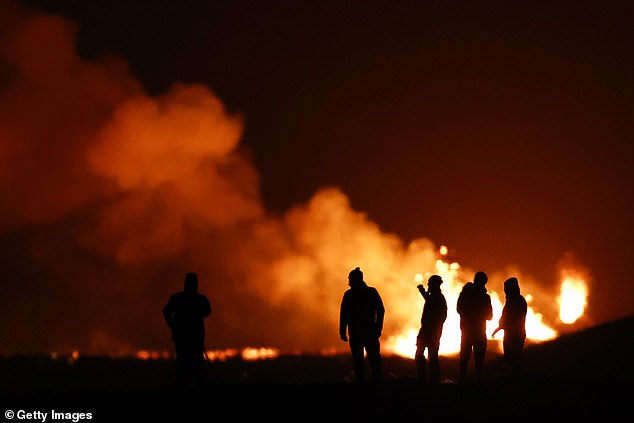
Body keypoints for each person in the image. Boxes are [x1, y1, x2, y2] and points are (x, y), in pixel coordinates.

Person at [163, 272, 212, 389]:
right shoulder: (198, 299)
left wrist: (173, 325)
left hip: (189, 338)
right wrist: (173, 325)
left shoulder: (179, 299)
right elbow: (207, 311)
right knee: (188, 366)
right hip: (188, 338)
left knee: (187, 366)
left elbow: (207, 311)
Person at [339, 267, 385, 382]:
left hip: (360, 332)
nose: (349, 281)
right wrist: (378, 327)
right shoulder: (370, 292)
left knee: (365, 358)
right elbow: (344, 313)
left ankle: (368, 382)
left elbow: (344, 313)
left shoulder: (350, 295)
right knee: (368, 358)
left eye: (350, 279)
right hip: (367, 332)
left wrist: (342, 331)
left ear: (356, 279)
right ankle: (373, 381)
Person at [457, 271, 493, 383]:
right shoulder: (485, 297)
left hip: (468, 332)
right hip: (478, 332)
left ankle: (462, 381)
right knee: (478, 360)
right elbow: (489, 316)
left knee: (464, 358)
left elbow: (459, 309)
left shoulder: (465, 294)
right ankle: (477, 381)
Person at [415, 274, 448, 384]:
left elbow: (442, 317)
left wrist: (434, 327)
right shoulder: (436, 297)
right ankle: (430, 380)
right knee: (428, 356)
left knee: (429, 357)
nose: (428, 286)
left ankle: (428, 380)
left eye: (430, 284)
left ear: (435, 285)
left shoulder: (437, 298)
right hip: (429, 331)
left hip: (430, 332)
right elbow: (428, 298)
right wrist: (422, 291)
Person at [492, 277, 528, 376]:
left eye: (506, 288)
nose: (505, 290)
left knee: (513, 357)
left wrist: (500, 327)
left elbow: (510, 318)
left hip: (514, 335)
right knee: (512, 358)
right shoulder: (517, 300)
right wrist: (499, 328)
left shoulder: (515, 301)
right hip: (515, 334)